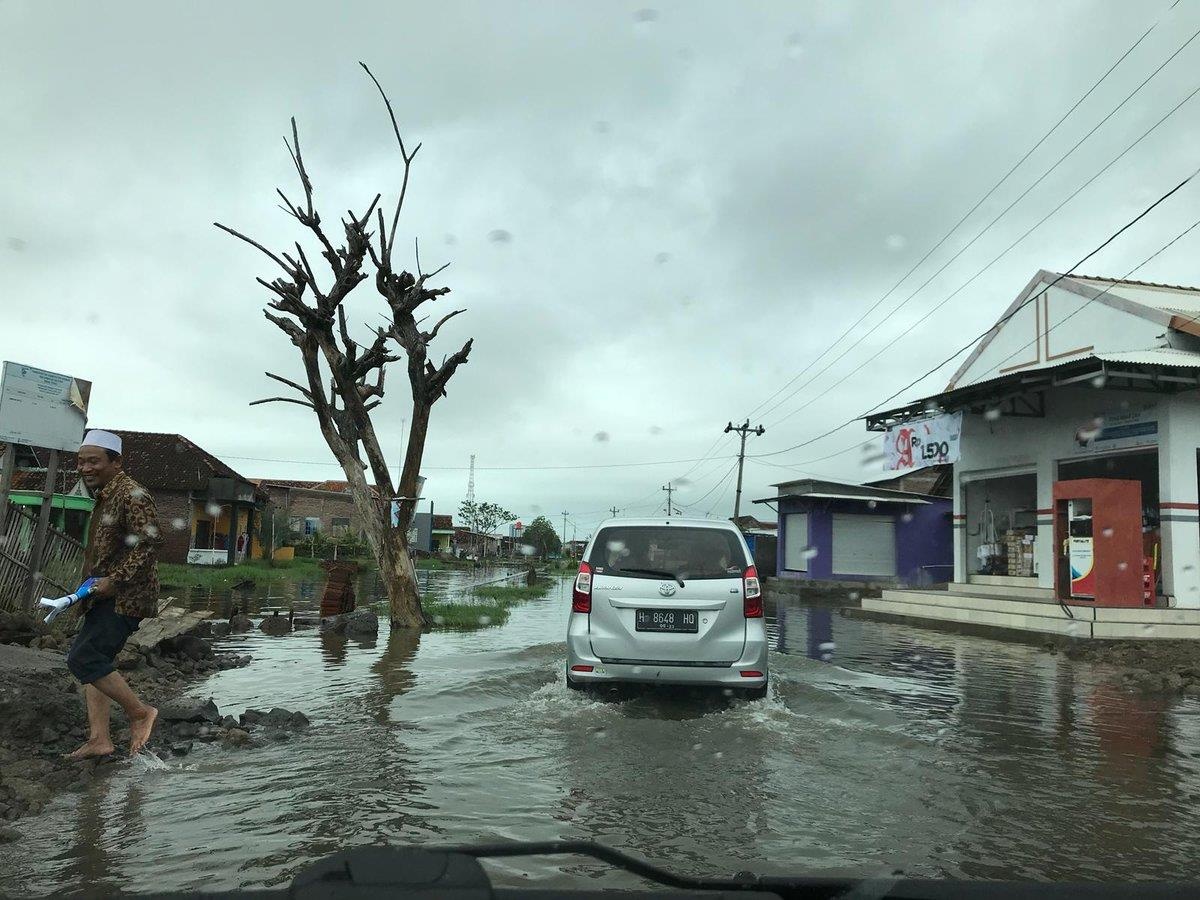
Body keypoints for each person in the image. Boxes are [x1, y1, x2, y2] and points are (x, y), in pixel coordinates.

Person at [65, 430, 161, 759]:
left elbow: (149, 543)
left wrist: (115, 581)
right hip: (104, 594)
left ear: (116, 462)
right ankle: (100, 739)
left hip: (125, 597)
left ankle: (140, 713)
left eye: (93, 461)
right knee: (97, 663)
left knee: (84, 658)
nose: (85, 468)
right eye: (81, 462)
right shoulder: (108, 493)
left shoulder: (132, 493)